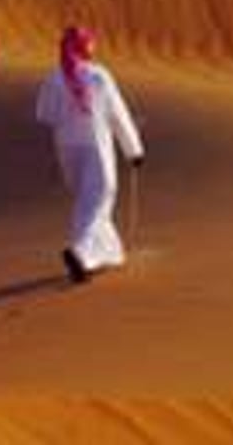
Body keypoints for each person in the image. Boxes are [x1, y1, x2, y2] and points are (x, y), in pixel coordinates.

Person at [36, 26, 145, 284]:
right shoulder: (99, 76)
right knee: (98, 200)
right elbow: (118, 115)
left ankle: (108, 254)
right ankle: (81, 255)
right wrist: (134, 150)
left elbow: (44, 114)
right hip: (96, 147)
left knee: (90, 206)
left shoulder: (53, 78)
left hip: (67, 149)